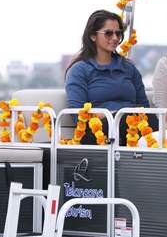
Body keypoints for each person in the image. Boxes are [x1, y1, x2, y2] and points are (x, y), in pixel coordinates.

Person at [65, 9, 155, 145]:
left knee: (153, 120)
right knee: (126, 117)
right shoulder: (79, 70)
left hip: (133, 126)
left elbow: (144, 107)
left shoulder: (129, 68)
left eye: (118, 33)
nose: (115, 38)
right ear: (93, 36)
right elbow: (78, 116)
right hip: (96, 132)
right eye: (108, 33)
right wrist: (113, 114)